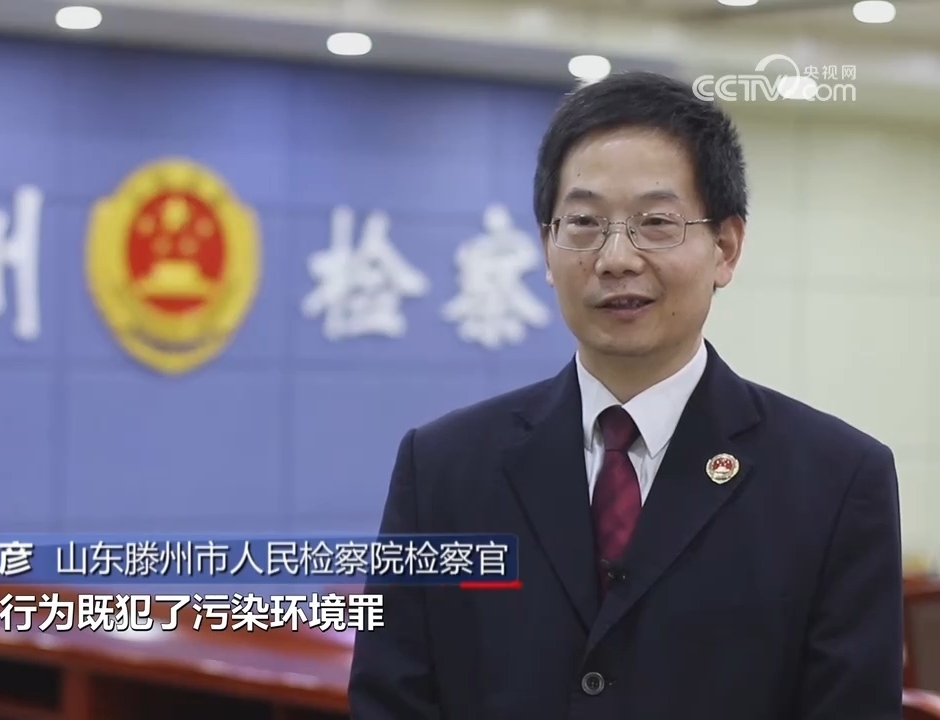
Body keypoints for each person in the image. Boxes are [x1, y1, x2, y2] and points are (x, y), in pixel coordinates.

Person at [348, 71, 903, 720]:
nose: (616, 257)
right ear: (547, 248)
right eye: (584, 223)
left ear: (726, 247)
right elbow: (391, 700)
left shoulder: (837, 481)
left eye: (655, 222)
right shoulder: (442, 468)